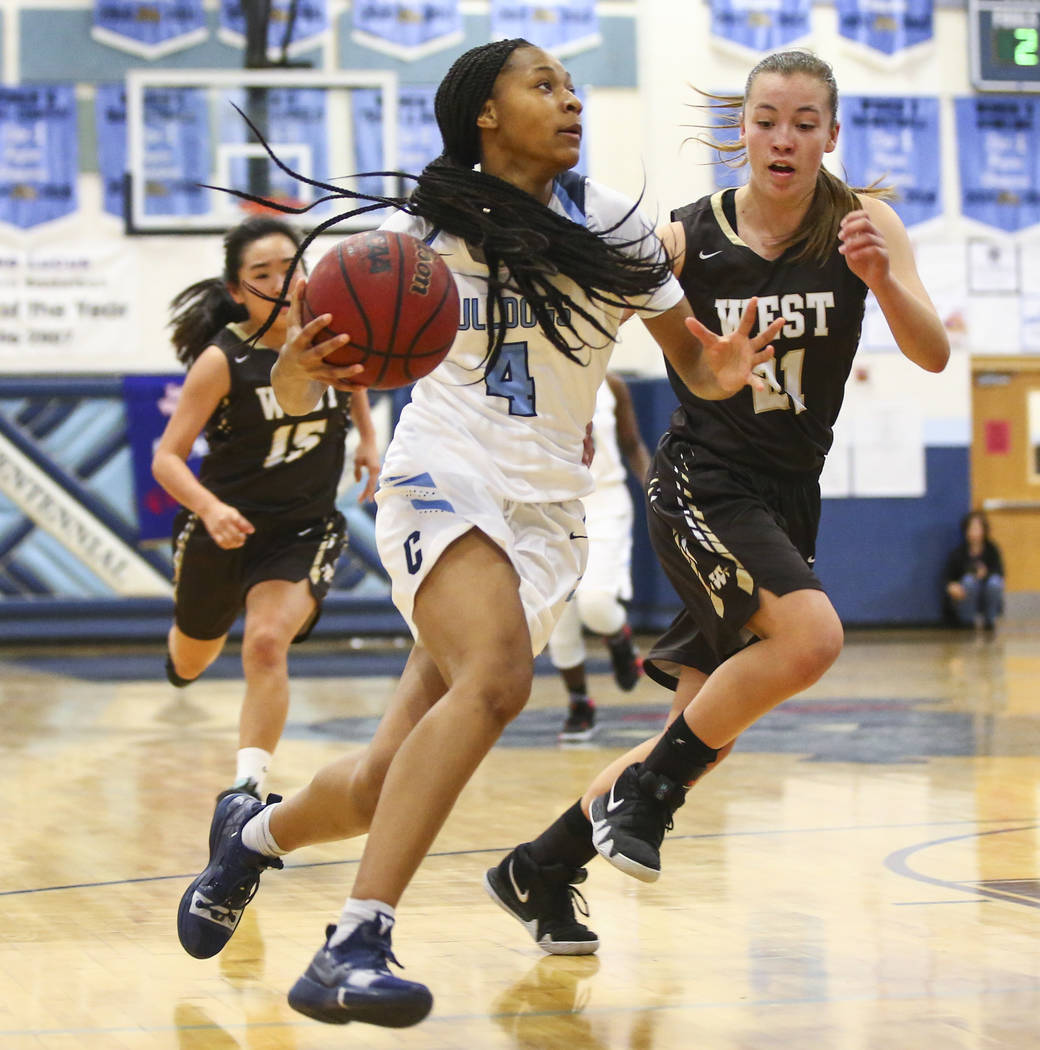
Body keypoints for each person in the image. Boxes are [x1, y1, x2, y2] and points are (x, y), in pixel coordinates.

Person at [173, 38, 783, 1028]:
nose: (570, 98)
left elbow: (697, 366)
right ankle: (355, 938)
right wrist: (297, 374)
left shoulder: (616, 228)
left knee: (381, 784)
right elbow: (295, 375)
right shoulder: (420, 232)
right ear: (484, 114)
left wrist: (731, 365)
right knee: (496, 680)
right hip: (443, 476)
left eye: (572, 84)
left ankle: (251, 840)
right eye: (543, 83)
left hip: (550, 509)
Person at [484, 47, 950, 955]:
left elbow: (931, 354)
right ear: (742, 129)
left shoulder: (867, 226)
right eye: (766, 119)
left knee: (701, 733)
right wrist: (555, 420)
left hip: (786, 495)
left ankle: (540, 866)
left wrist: (884, 281)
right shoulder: (684, 237)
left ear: (831, 134)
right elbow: (584, 331)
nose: (783, 138)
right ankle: (647, 807)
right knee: (812, 638)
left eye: (804, 122)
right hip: (702, 477)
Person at [153, 215, 379, 803]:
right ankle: (184, 646)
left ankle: (247, 788)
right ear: (236, 291)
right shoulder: (221, 361)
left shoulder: (334, 334)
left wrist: (369, 444)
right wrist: (208, 509)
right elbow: (167, 460)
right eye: (262, 274)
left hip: (301, 528)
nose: (282, 283)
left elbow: (351, 386)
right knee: (189, 663)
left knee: (264, 643)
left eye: (290, 267)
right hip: (225, 528)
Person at [548, 370, 650, 742]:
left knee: (595, 604)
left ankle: (618, 637)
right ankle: (580, 704)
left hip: (606, 501)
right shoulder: (537, 378)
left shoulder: (614, 384)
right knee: (558, 621)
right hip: (552, 506)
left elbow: (632, 444)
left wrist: (658, 489)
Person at [944, 510, 1004, 630]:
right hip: (967, 594)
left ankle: (990, 620)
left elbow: (1000, 573)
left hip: (987, 592)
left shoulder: (992, 550)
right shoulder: (959, 553)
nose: (974, 532)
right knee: (968, 581)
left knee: (995, 582)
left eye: (978, 528)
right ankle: (967, 621)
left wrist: (986, 574)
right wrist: (952, 586)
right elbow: (948, 577)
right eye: (971, 528)